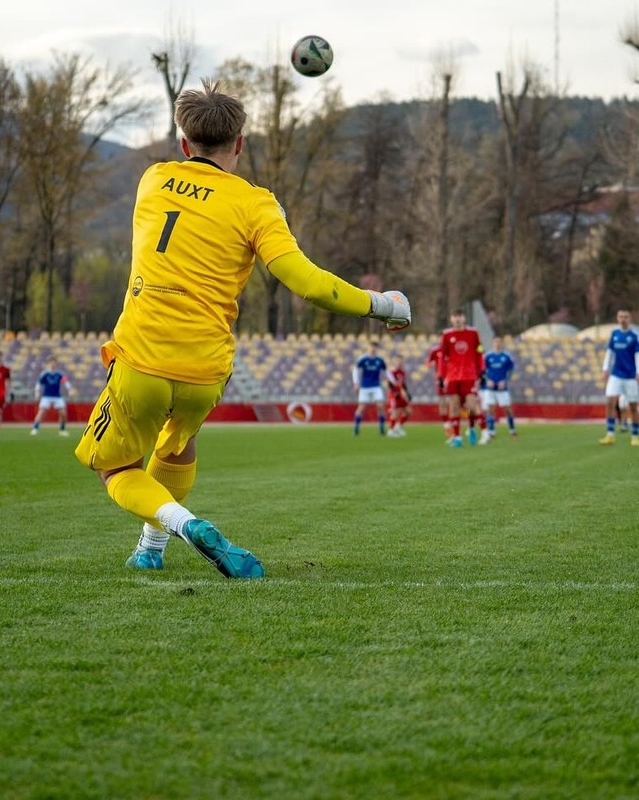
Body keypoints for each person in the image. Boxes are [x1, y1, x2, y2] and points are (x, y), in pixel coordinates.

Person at [73, 80, 410, 578]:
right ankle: (150, 547)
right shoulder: (257, 204)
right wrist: (383, 304)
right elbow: (307, 283)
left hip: (142, 356)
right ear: (241, 144)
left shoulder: (153, 178)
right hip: (206, 369)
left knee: (114, 468)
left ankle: (183, 526)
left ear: (184, 143)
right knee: (176, 442)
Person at [439, 308, 484, 447]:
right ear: (451, 319)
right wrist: (442, 375)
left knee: (471, 406)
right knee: (454, 407)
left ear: (464, 318)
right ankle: (457, 437)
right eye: (455, 316)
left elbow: (479, 351)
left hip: (469, 375)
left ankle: (470, 428)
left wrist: (481, 369)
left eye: (460, 316)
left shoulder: (473, 333)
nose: (457, 319)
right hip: (453, 376)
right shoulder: (446, 335)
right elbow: (442, 356)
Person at [599, 309, 639, 447]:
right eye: (620, 316)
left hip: (630, 376)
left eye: (625, 316)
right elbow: (609, 351)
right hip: (616, 374)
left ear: (629, 318)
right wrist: (605, 369)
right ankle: (610, 434)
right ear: (617, 318)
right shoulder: (614, 333)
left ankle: (635, 435)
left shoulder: (635, 335)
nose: (623, 319)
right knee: (610, 402)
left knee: (633, 405)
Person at [480, 337, 517, 443]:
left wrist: (505, 380)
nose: (497, 344)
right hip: (490, 388)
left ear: (502, 343)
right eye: (495, 342)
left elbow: (510, 370)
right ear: (493, 343)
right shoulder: (487, 356)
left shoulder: (506, 356)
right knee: (490, 409)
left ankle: (512, 430)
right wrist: (487, 380)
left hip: (502, 388)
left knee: (507, 409)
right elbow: (482, 370)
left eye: (499, 342)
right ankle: (491, 432)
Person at [351, 340, 388, 436]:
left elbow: (386, 371)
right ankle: (356, 428)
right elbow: (355, 370)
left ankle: (381, 428)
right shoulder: (363, 359)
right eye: (371, 346)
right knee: (361, 407)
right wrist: (356, 383)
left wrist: (387, 381)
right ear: (368, 347)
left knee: (380, 406)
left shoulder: (380, 360)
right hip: (365, 387)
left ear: (377, 348)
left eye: (375, 347)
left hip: (376, 386)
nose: (373, 348)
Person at [32, 356, 73, 437]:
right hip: (46, 396)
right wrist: (37, 393)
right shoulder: (45, 374)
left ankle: (62, 429)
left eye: (54, 363)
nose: (53, 364)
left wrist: (70, 389)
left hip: (57, 396)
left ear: (56, 364)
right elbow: (39, 384)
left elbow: (66, 382)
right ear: (49, 364)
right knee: (41, 412)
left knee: (63, 413)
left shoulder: (59, 374)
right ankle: (35, 428)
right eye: (51, 363)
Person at [425, 343, 452, 441]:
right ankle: (447, 426)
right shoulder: (435, 350)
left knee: (455, 402)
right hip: (440, 379)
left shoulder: (452, 348)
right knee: (443, 403)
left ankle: (455, 424)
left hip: (452, 378)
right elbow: (428, 362)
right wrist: (430, 364)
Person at [386, 356, 411, 437]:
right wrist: (395, 392)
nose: (400, 363)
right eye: (398, 361)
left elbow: (403, 384)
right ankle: (391, 430)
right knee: (395, 412)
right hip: (393, 394)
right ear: (394, 362)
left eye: (401, 361)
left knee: (408, 411)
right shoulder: (391, 371)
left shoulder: (402, 372)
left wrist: (407, 393)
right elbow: (389, 383)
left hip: (400, 393)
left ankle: (398, 426)